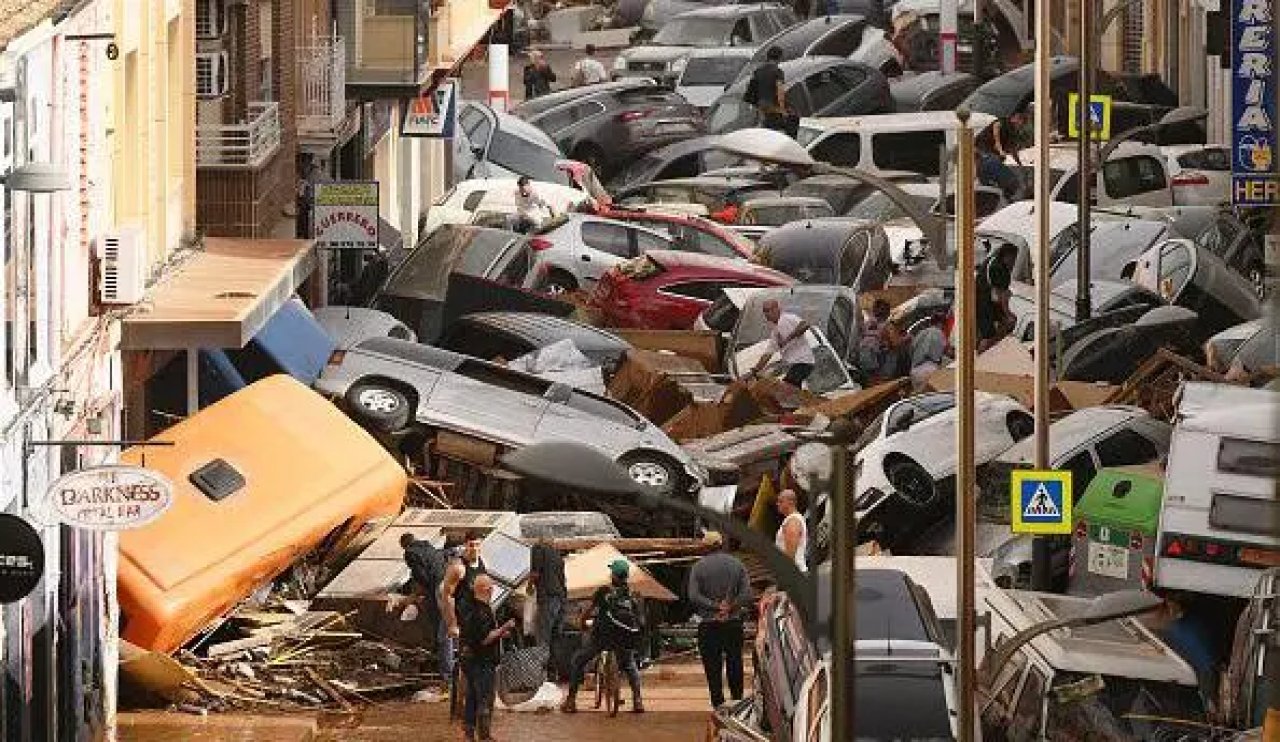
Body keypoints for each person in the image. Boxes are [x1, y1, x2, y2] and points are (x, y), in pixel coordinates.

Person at [561, 560, 645, 715]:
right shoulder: (633, 595)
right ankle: (638, 700)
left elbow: (588, 611)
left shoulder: (604, 592)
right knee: (630, 665)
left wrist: (583, 624)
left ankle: (571, 700)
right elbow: (640, 621)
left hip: (602, 637)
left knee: (578, 661)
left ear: (613, 575)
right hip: (624, 638)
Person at [687, 546, 752, 708]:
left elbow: (693, 596)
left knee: (712, 666)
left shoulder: (699, 566)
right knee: (735, 661)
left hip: (709, 624)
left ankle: (718, 704)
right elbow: (746, 595)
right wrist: (729, 607)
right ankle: (737, 702)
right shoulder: (737, 565)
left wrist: (714, 606)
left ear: (706, 547)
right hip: (733, 623)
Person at [461, 574, 517, 742]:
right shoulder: (483, 611)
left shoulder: (469, 608)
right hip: (482, 661)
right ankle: (484, 735)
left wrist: (499, 633)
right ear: (488, 590)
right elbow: (485, 639)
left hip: (470, 660)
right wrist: (504, 628)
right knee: (485, 698)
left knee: (471, 697)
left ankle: (468, 733)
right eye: (491, 587)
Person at [393, 532, 455, 680]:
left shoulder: (410, 553)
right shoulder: (429, 547)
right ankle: (450, 664)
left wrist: (417, 594)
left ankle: (447, 672)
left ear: (404, 545)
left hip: (438, 589)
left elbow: (421, 575)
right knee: (449, 626)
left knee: (443, 632)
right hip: (448, 584)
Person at [747, 299, 815, 389]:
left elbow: (805, 324)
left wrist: (788, 339)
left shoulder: (787, 318)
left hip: (803, 362)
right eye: (764, 312)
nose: (766, 314)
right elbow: (768, 354)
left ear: (777, 309)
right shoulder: (775, 331)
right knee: (792, 390)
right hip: (794, 365)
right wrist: (755, 370)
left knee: (786, 387)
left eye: (768, 310)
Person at [976, 110, 1028, 200]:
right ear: (1015, 119)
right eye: (1020, 123)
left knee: (1000, 172)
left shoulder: (1013, 132)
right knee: (993, 164)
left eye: (1021, 125)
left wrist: (1020, 164)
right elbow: (996, 126)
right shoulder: (1005, 121)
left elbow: (1013, 149)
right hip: (984, 150)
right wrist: (999, 147)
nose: (1019, 126)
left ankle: (1003, 192)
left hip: (991, 156)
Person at [528, 538, 567, 648]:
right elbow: (562, 579)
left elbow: (535, 574)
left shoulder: (538, 548)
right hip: (560, 598)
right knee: (555, 636)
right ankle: (554, 662)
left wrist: (529, 586)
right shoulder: (557, 554)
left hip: (548, 596)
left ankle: (541, 663)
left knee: (543, 636)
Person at [976, 247, 1016, 352]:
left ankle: (992, 350)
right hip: (983, 302)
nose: (1014, 262)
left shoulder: (992, 260)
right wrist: (1008, 314)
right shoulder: (998, 268)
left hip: (984, 298)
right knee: (988, 334)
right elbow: (1002, 295)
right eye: (1013, 258)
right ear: (1007, 256)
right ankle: (981, 359)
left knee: (1003, 324)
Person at [747, 47, 789, 134]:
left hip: (760, 109)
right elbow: (780, 92)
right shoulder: (778, 72)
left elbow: (751, 90)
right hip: (773, 109)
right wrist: (783, 110)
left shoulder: (758, 71)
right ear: (780, 58)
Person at [774, 489, 808, 573]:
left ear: (790, 502)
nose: (777, 504)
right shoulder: (792, 519)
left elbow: (790, 553)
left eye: (781, 501)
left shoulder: (793, 521)